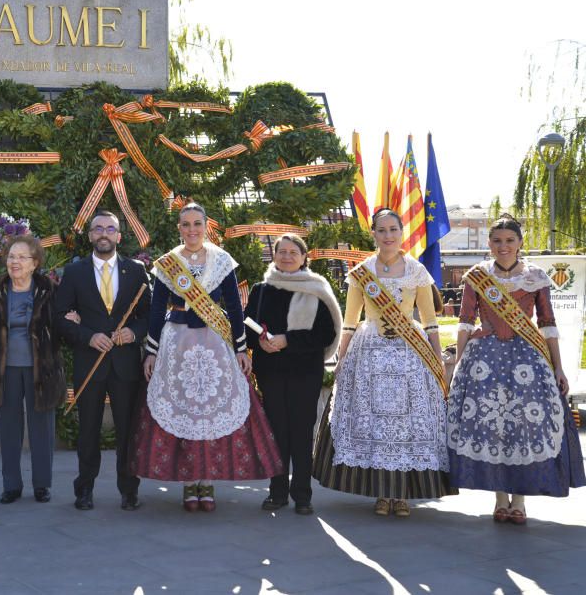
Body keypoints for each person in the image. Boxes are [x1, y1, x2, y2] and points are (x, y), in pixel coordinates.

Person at [132, 203, 281, 511]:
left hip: (215, 343)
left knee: (210, 410)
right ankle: (189, 483)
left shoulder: (222, 260)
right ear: (179, 228)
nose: (191, 230)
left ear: (205, 226)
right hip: (178, 343)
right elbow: (158, 310)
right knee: (184, 408)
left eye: (197, 223)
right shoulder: (168, 264)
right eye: (185, 224)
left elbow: (235, 308)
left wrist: (241, 349)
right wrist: (151, 352)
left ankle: (207, 481)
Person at [313, 208, 454, 517]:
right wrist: (341, 356)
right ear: (374, 234)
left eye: (393, 229)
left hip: (409, 354)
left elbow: (430, 322)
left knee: (406, 423)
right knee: (373, 420)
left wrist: (436, 355)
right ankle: (380, 492)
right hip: (370, 351)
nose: (388, 235)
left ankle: (402, 494)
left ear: (401, 233)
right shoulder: (361, 272)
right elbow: (349, 322)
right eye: (382, 230)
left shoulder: (417, 271)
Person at [447, 215, 585, 524]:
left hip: (528, 360)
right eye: (497, 241)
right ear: (489, 244)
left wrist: (558, 367)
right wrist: (458, 364)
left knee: (525, 425)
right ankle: (499, 497)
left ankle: (519, 500)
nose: (503, 246)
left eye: (509, 240)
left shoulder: (536, 277)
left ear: (520, 243)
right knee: (491, 427)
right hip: (485, 360)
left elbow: (547, 323)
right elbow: (465, 322)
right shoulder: (476, 276)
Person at [55, 211, 151, 511]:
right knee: (88, 431)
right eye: (98, 229)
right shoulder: (75, 273)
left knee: (127, 430)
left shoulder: (136, 271)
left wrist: (132, 333)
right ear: (90, 235)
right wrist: (87, 336)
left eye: (110, 229)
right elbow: (59, 317)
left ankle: (129, 490)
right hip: (90, 363)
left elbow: (149, 316)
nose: (104, 234)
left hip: (125, 365)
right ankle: (84, 489)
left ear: (119, 236)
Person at [246, 234, 341, 515]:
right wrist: (258, 342)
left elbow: (326, 333)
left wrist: (288, 339)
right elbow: (246, 327)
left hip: (304, 372)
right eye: (281, 252)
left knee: (300, 432)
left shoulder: (317, 289)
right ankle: (277, 493)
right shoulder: (261, 289)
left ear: (304, 257)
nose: (286, 257)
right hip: (271, 372)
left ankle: (302, 495)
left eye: (293, 252)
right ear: (274, 255)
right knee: (276, 433)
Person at [0, 235, 66, 504]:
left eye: (21, 257)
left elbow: (61, 325)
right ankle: (11, 485)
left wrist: (72, 318)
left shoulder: (49, 289)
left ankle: (42, 485)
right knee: (9, 427)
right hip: (5, 369)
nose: (14, 262)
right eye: (11, 257)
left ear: (34, 263)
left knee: (42, 429)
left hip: (42, 368)